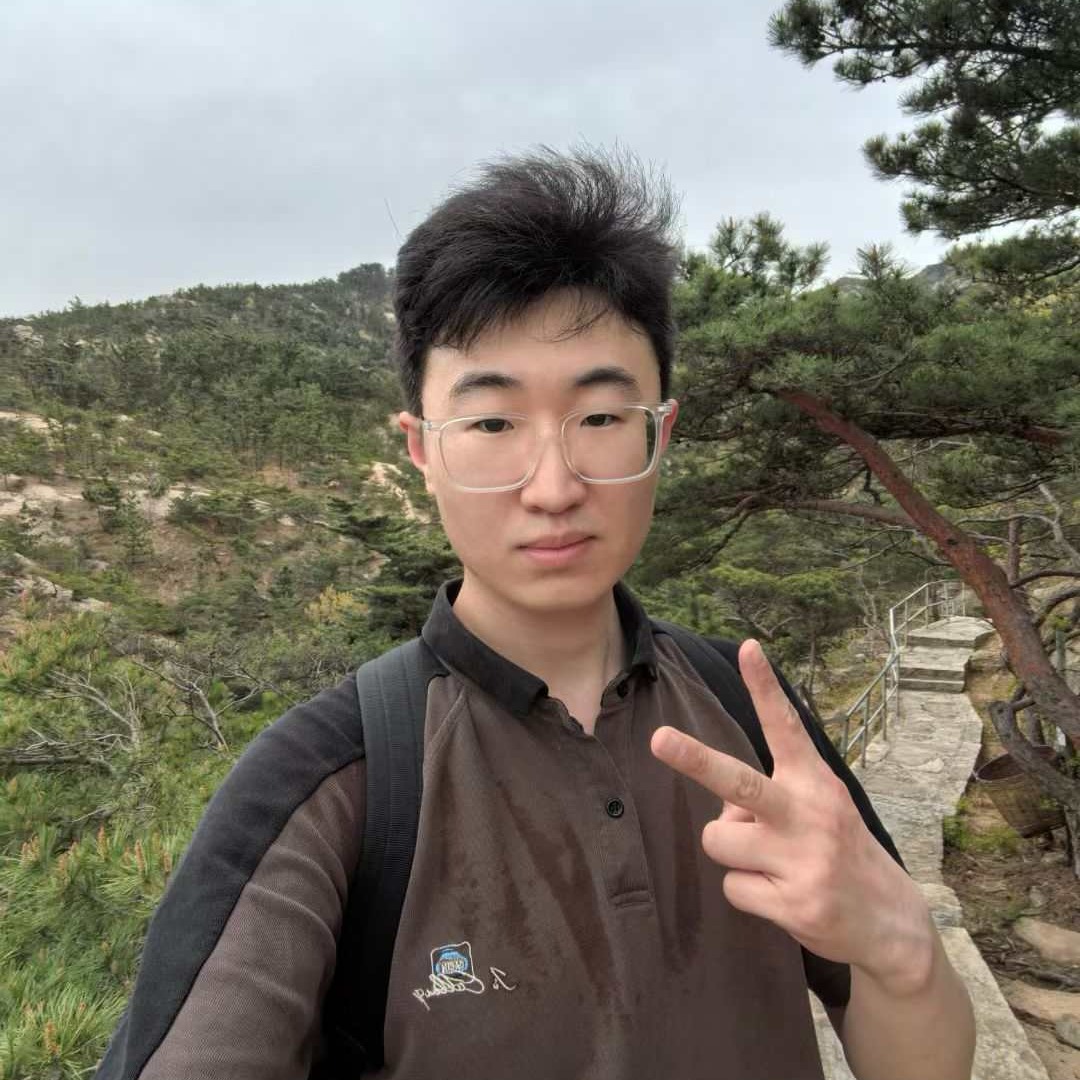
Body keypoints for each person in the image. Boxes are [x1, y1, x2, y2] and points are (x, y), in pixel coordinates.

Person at [95, 148, 975, 1080]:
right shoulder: (333, 781)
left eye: (600, 419)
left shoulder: (748, 716)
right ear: (420, 450)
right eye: (491, 424)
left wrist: (902, 954)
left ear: (660, 433)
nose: (553, 488)